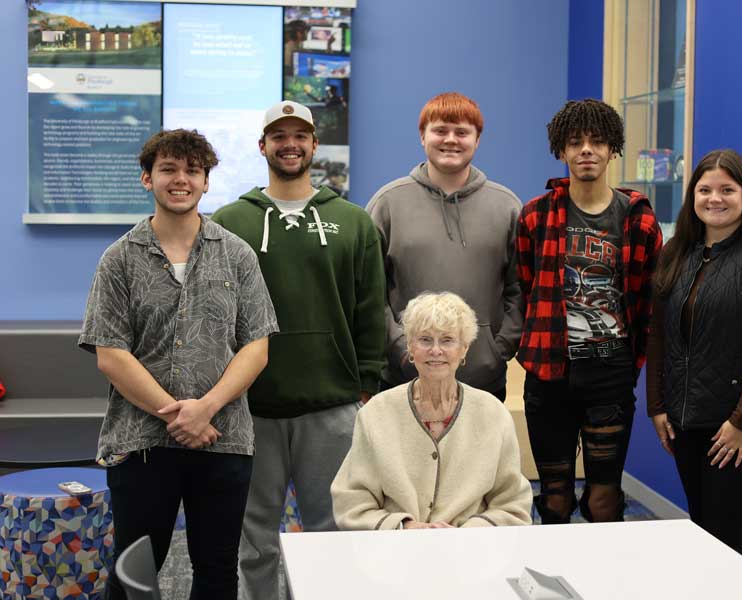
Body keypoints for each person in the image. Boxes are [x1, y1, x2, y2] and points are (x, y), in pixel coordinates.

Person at [79, 129, 278, 600]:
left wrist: (206, 409)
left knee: (216, 571)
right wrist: (180, 414)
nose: (180, 179)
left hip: (223, 440)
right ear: (147, 178)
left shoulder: (238, 255)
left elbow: (257, 346)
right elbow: (111, 354)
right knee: (134, 572)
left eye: (192, 170)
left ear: (207, 182)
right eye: (168, 169)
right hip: (141, 443)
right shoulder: (119, 260)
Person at [212, 100, 385, 600]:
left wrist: (367, 385)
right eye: (279, 135)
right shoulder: (229, 221)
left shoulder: (353, 222)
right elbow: (218, 313)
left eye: (300, 135)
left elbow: (371, 307)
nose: (290, 144)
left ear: (314, 145)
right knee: (254, 538)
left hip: (332, 406)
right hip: (250, 407)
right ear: (262, 145)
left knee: (331, 534)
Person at [646, 148, 742, 563]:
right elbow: (659, 334)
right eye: (704, 190)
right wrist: (656, 405)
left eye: (726, 190)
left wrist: (741, 421)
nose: (714, 199)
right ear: (692, 197)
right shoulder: (677, 252)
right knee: (704, 533)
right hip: (688, 421)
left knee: (729, 541)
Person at [517, 99, 662, 524]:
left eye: (597, 142)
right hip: (548, 373)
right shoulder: (535, 216)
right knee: (555, 495)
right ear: (560, 150)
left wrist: (630, 363)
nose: (586, 150)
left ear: (612, 149)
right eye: (575, 142)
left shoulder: (639, 220)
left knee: (603, 498)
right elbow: (526, 285)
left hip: (610, 373)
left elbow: (649, 300)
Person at [366, 92, 522, 402]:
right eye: (440, 130)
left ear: (477, 140)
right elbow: (371, 292)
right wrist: (400, 349)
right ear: (422, 136)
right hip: (403, 384)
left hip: (483, 383)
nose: (451, 140)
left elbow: (520, 289)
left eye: (462, 132)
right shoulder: (388, 203)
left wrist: (498, 347)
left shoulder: (507, 206)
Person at [331, 292, 532, 530]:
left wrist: (468, 533)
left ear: (464, 349)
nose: (435, 350)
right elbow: (352, 502)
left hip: (472, 553)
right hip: (396, 552)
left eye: (447, 340)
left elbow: (513, 504)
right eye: (425, 340)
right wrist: (404, 527)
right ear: (410, 347)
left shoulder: (493, 414)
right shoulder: (376, 413)